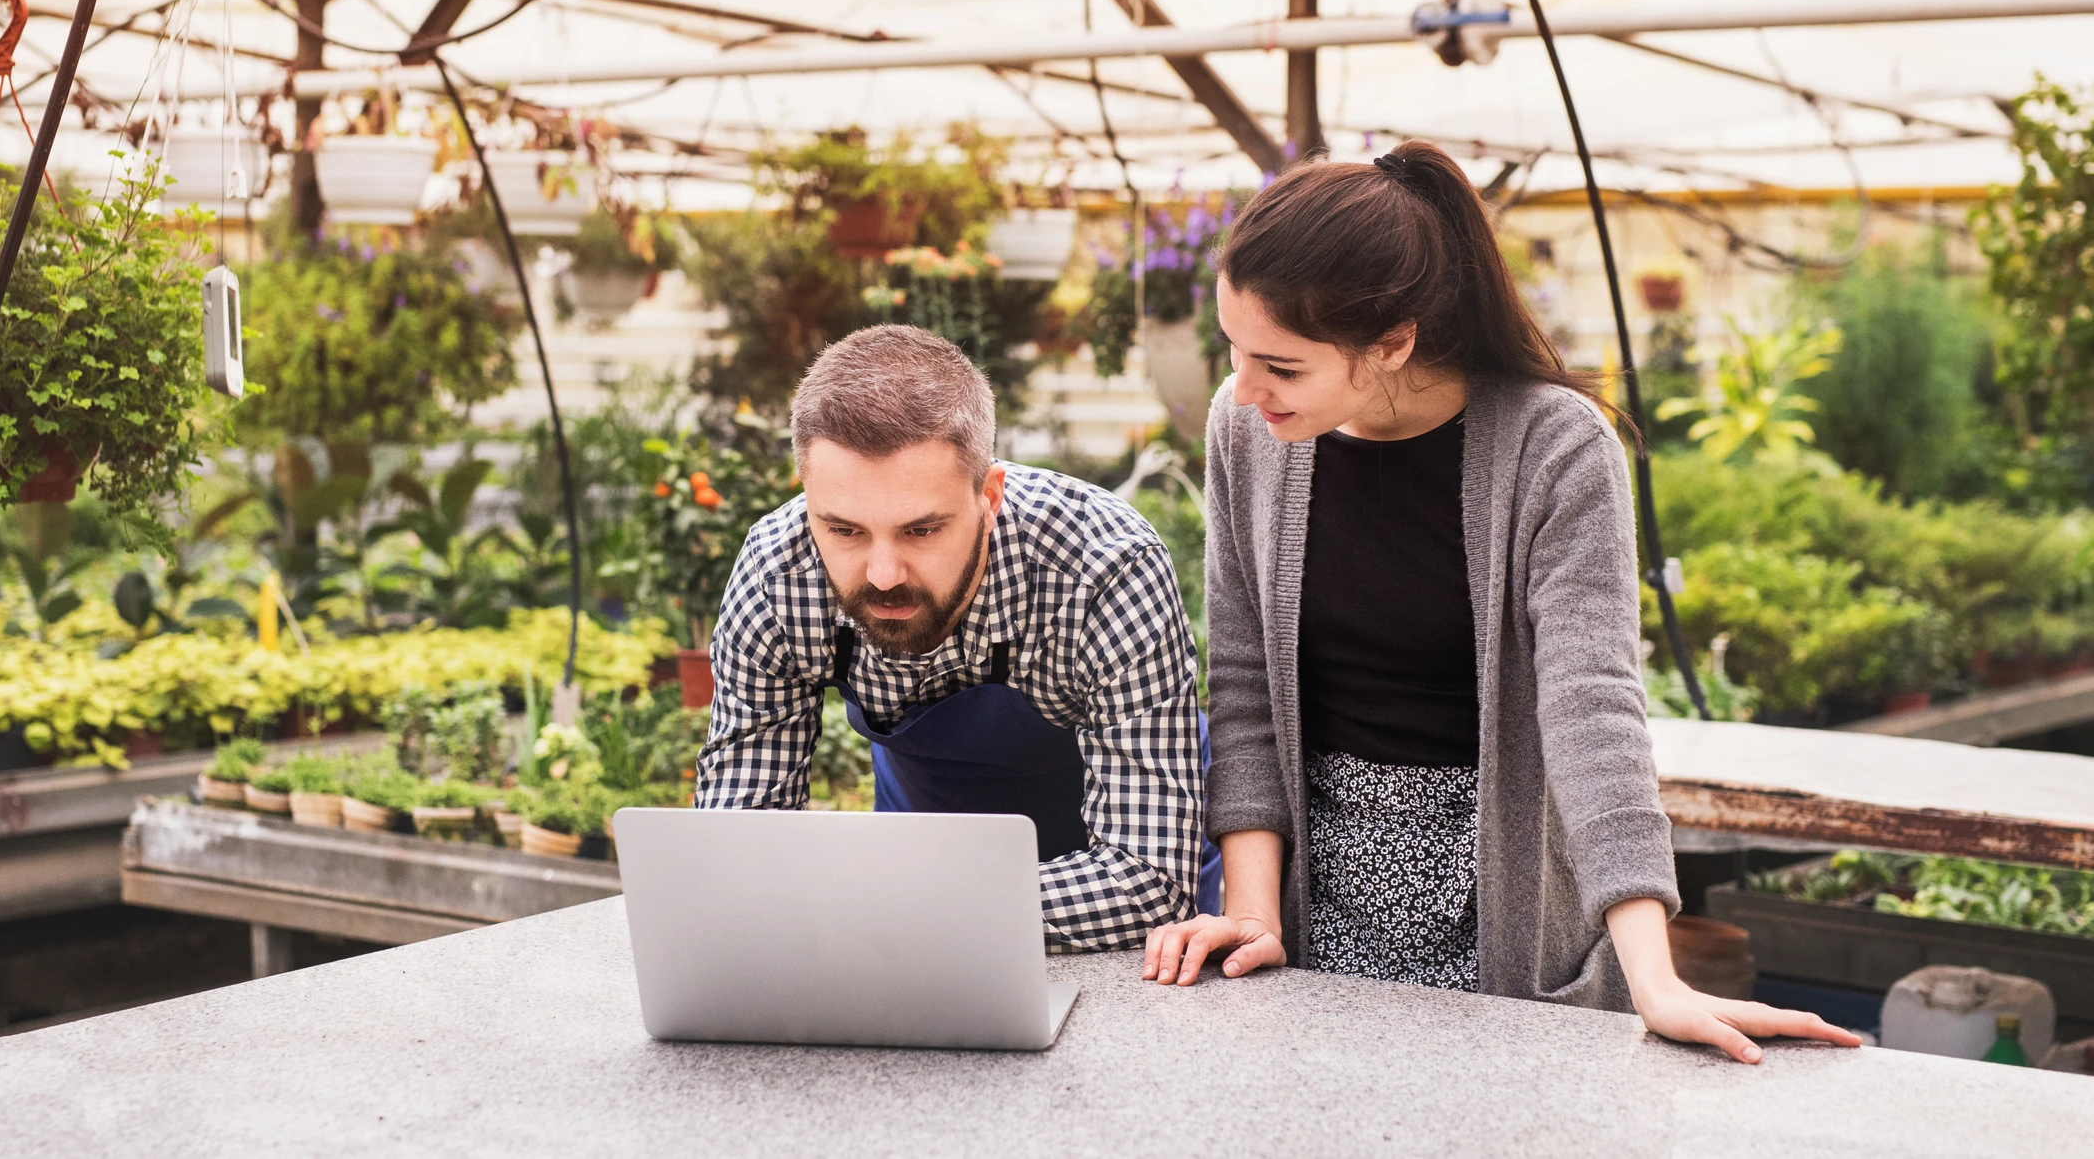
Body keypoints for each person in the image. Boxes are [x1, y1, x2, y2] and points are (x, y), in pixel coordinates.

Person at [1140, 145, 1860, 1064]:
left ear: (1392, 341)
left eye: (1280, 363)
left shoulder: (1556, 448)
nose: (1244, 387)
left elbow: (1592, 710)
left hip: (1506, 904)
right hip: (1315, 910)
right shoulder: (1247, 431)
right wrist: (1251, 912)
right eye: (1233, 350)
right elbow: (1242, 686)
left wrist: (1654, 977)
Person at [694, 324, 1214, 950]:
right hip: (916, 873)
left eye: (921, 531)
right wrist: (918, 907)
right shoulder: (779, 575)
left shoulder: (1104, 566)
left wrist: (907, 907)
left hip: (1112, 912)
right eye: (845, 531)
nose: (883, 575)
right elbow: (739, 845)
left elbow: (1148, 880)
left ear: (989, 496)